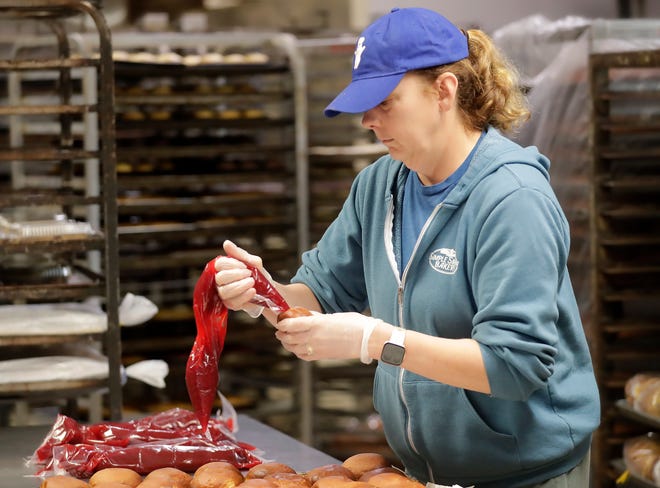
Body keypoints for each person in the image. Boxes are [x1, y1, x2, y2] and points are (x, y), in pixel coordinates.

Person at [214, 7, 600, 488]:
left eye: (386, 101)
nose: (368, 121)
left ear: (444, 91)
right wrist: (263, 293)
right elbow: (317, 298)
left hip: (526, 476)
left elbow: (513, 366)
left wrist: (376, 341)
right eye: (363, 104)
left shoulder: (511, 200)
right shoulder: (380, 187)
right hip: (424, 472)